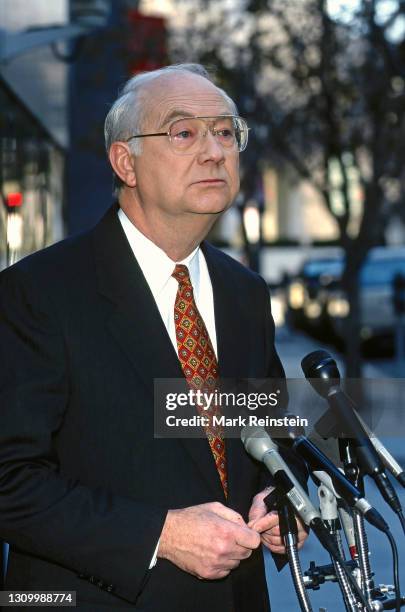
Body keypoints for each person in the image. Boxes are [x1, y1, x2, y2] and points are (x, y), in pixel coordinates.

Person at [0, 63, 308, 611]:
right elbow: (10, 481)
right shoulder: (37, 293)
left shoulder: (245, 294)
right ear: (126, 162)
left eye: (225, 132)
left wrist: (283, 499)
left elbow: (271, 437)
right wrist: (160, 535)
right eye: (184, 132)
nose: (214, 151)